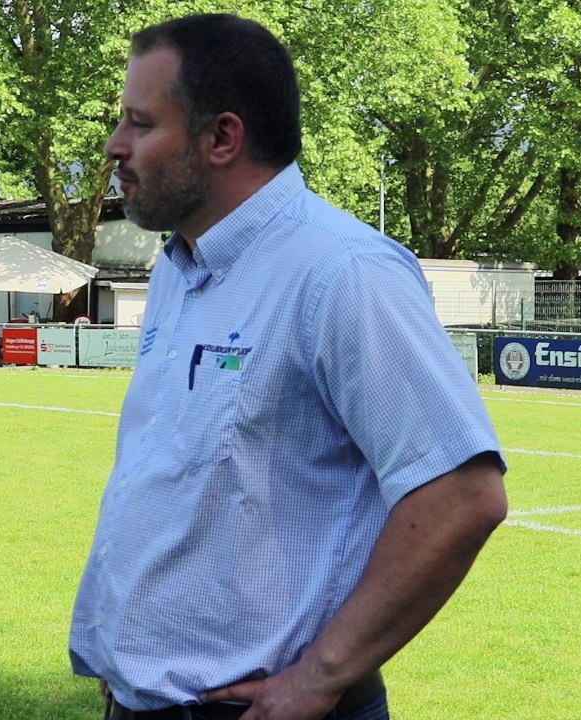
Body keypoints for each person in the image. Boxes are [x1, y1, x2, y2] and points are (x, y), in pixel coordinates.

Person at [69, 15, 508, 720]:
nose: (115, 146)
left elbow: (462, 494)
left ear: (222, 138)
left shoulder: (342, 272)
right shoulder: (180, 266)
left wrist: (321, 676)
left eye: (140, 124)